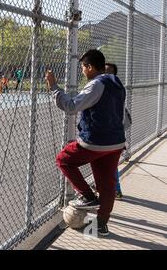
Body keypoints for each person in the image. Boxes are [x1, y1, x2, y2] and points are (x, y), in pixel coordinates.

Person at [45, 49, 126, 237]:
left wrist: (54, 86)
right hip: (115, 142)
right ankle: (101, 225)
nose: (82, 70)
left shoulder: (95, 85)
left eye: (83, 67)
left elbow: (71, 107)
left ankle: (87, 196)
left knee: (63, 160)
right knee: (107, 184)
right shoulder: (116, 82)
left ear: (90, 67)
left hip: (95, 141)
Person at [105, 63, 132, 200]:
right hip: (112, 135)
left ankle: (115, 190)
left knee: (110, 164)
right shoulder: (113, 88)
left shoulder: (113, 89)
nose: (104, 73)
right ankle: (113, 189)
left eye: (108, 72)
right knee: (109, 164)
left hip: (113, 135)